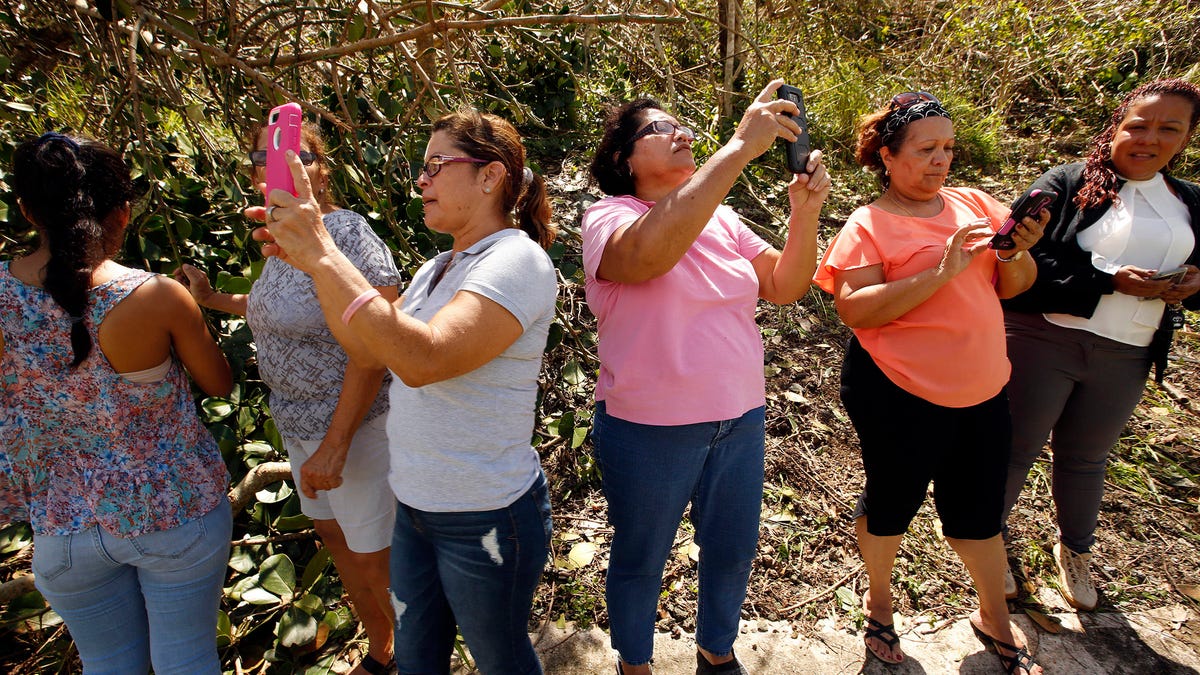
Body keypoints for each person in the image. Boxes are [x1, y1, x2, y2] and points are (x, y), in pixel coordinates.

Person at [249, 109, 557, 675]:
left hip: (484, 514)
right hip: (415, 506)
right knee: (417, 658)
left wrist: (325, 253)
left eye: (437, 165)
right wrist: (317, 268)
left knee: (502, 660)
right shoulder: (437, 267)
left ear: (490, 176)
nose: (421, 180)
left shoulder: (518, 260)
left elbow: (423, 360)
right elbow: (369, 351)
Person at [582, 81, 831, 675]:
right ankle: (635, 663)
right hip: (649, 429)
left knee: (732, 548)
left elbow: (785, 285)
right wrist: (740, 148)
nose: (682, 134)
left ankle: (717, 652)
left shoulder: (723, 219)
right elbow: (645, 256)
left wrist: (805, 213)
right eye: (660, 129)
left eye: (683, 126)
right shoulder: (609, 216)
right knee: (642, 557)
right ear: (623, 159)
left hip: (740, 418)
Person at [813, 92, 1046, 675]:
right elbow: (856, 309)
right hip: (897, 391)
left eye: (947, 147)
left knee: (980, 512)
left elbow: (1015, 285)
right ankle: (879, 601)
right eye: (925, 149)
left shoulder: (975, 204)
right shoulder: (868, 223)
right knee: (892, 502)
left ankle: (995, 617)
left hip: (984, 389)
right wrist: (939, 272)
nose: (940, 160)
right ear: (888, 156)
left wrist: (1015, 253)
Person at [0, 132, 233, 674]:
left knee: (108, 665)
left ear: (27, 210)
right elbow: (219, 384)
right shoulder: (155, 295)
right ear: (122, 213)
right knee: (187, 660)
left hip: (62, 527)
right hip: (175, 512)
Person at [175, 121, 400, 675]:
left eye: (295, 155)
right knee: (337, 542)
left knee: (377, 558)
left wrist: (337, 443)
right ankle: (383, 650)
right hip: (300, 428)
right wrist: (212, 298)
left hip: (357, 429)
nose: (272, 166)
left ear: (320, 170)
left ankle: (422, 655)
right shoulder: (281, 240)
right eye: (262, 158)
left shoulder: (345, 233)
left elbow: (380, 337)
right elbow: (281, 308)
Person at [1000, 78, 1200, 611]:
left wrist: (1192, 283)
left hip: (1128, 351)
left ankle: (1076, 552)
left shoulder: (1188, 201)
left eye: (1168, 129)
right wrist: (1110, 280)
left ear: (1186, 138)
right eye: (1138, 125)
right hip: (1045, 338)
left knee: (1086, 458)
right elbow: (1017, 258)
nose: (1149, 138)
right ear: (1117, 126)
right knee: (1015, 448)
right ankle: (988, 540)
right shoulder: (1068, 183)